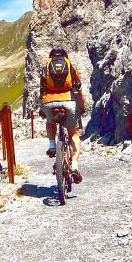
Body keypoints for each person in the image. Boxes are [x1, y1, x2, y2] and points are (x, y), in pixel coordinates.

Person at [39, 47, 86, 183]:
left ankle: (52, 145)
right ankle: (75, 166)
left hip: (49, 103)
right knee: (73, 134)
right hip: (69, 102)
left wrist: (43, 108)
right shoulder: (70, 67)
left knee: (50, 122)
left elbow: (42, 90)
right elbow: (78, 89)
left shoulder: (45, 68)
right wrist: (81, 107)